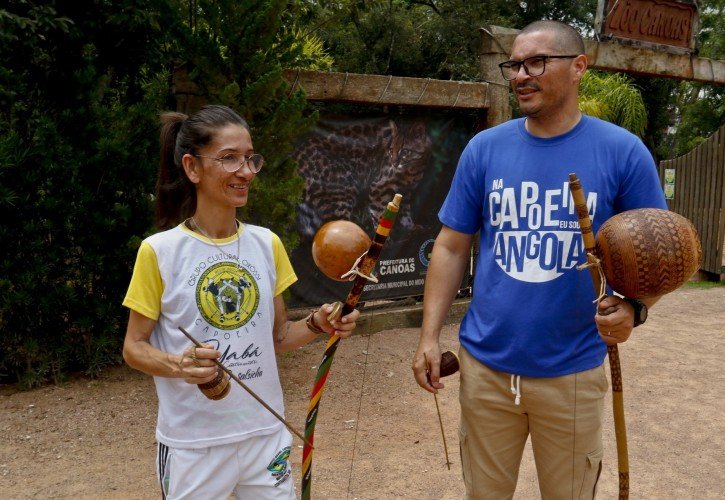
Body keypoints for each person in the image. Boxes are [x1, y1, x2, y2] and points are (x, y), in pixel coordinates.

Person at [411, 20, 666, 499]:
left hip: (573, 369)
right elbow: (450, 245)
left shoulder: (623, 152)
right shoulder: (484, 149)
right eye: (515, 64)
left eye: (536, 62)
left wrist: (635, 308)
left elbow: (660, 252)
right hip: (485, 370)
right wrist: (429, 335)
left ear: (578, 67)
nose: (521, 75)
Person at [122, 104, 359, 499]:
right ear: (192, 168)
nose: (246, 171)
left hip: (265, 435)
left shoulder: (266, 244)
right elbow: (133, 348)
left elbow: (278, 337)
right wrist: (180, 364)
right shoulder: (159, 252)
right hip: (193, 446)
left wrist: (319, 323)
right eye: (229, 158)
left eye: (250, 159)